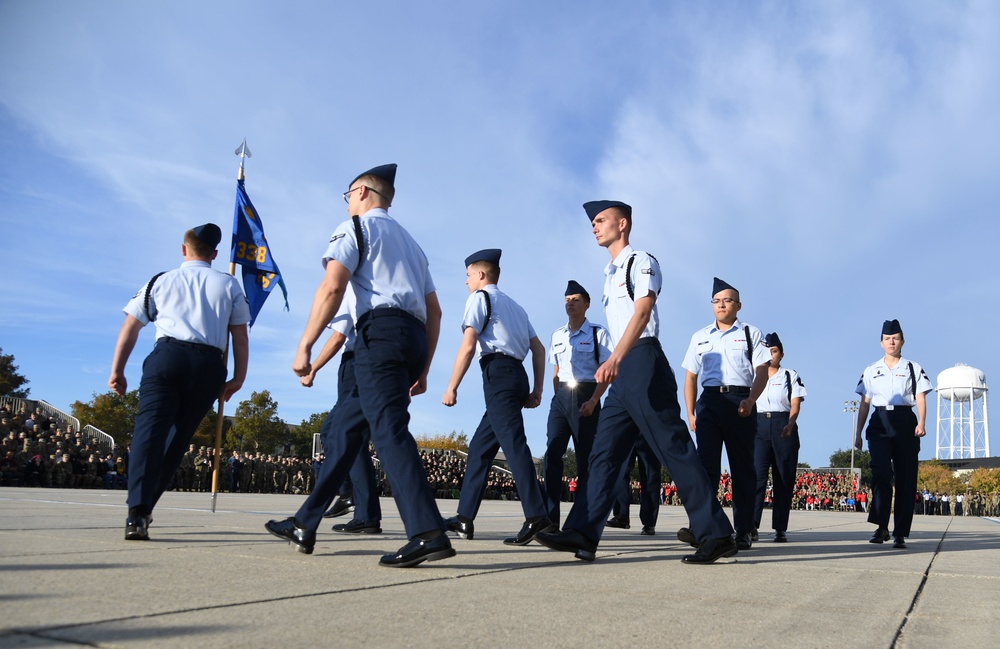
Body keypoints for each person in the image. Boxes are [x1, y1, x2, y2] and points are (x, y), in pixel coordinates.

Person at [265, 163, 454, 568]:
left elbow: (333, 285)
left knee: (388, 432)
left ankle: (427, 531)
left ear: (364, 193)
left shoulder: (355, 228)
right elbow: (435, 312)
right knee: (345, 430)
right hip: (412, 337)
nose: (348, 201)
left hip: (379, 335)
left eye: (349, 194)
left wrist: (305, 345)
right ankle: (305, 521)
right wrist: (424, 367)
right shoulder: (413, 245)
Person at [536, 200, 736, 564]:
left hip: (642, 361)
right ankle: (582, 531)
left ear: (622, 224)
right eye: (593, 223)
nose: (594, 227)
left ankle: (716, 532)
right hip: (623, 370)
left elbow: (642, 312)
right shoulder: (609, 272)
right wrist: (609, 373)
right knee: (604, 453)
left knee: (673, 448)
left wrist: (614, 357)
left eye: (601, 221)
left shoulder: (639, 261)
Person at [109, 223, 250, 541]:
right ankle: (144, 512)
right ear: (214, 254)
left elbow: (130, 327)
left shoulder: (161, 280)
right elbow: (239, 336)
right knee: (176, 441)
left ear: (184, 250)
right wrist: (238, 377)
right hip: (208, 364)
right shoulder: (229, 285)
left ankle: (136, 513)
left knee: (149, 435)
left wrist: (118, 370)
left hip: (168, 357)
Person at [441, 248, 555, 545]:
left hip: (498, 375)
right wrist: (537, 389)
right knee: (479, 449)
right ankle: (464, 518)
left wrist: (452, 386)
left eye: (468, 276)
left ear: (480, 274)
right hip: (516, 376)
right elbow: (539, 349)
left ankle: (536, 515)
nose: (466, 282)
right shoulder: (516, 307)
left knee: (515, 445)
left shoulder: (479, 299)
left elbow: (468, 346)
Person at [680, 277, 770, 550]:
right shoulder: (700, 336)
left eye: (727, 300)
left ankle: (743, 530)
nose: (721, 305)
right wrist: (691, 412)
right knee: (705, 468)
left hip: (740, 402)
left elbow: (762, 370)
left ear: (738, 305)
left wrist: (752, 399)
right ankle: (703, 528)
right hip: (708, 404)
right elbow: (690, 377)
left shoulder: (750, 334)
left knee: (742, 468)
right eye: (717, 301)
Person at [298, 287, 382, 535]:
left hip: (356, 364)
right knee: (352, 438)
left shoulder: (354, 291)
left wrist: (313, 369)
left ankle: (347, 493)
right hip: (375, 364)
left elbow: (337, 337)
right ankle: (365, 513)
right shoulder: (379, 293)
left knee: (334, 430)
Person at [854, 319, 932, 549]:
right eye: (887, 339)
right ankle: (881, 527)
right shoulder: (871, 370)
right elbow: (865, 403)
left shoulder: (912, 368)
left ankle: (900, 531)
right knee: (879, 472)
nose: (891, 342)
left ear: (902, 342)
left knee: (906, 478)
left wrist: (922, 422)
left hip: (905, 421)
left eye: (895, 338)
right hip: (879, 421)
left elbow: (920, 397)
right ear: (881, 342)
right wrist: (858, 432)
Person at [542, 280, 613, 527]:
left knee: (586, 460)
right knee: (552, 454)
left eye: (575, 300)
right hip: (561, 396)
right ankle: (550, 519)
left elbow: (607, 370)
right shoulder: (557, 335)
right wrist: (557, 397)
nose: (570, 303)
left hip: (587, 396)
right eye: (567, 300)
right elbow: (556, 370)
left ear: (587, 304)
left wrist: (594, 399)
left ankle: (581, 521)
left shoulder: (598, 333)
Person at [751, 332, 807, 542]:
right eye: (766, 352)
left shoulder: (789, 375)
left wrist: (790, 423)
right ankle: (751, 526)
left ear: (781, 354)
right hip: (758, 425)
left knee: (783, 478)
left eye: (773, 352)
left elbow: (795, 402)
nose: (770, 356)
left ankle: (780, 527)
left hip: (783, 425)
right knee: (756, 477)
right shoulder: (754, 376)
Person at [606, 436, 661, 535]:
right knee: (619, 470)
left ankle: (649, 522)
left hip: (649, 429)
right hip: (627, 426)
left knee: (650, 475)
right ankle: (621, 515)